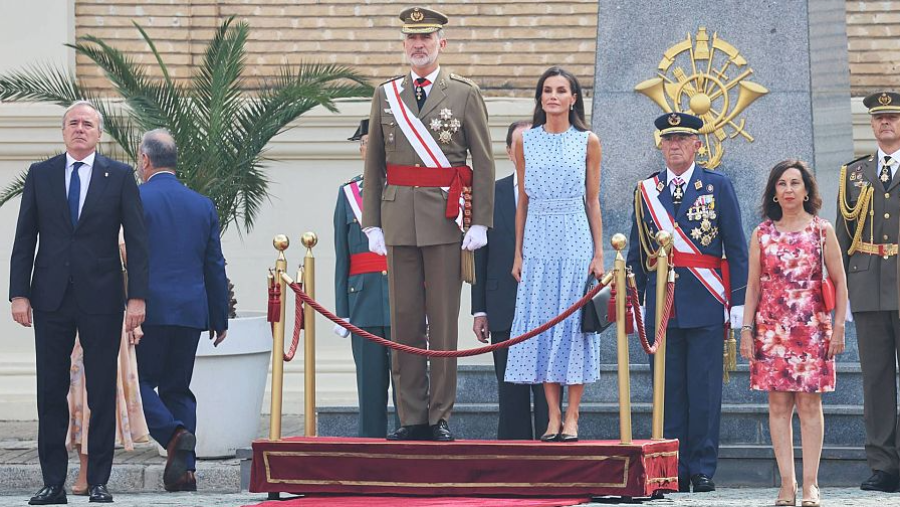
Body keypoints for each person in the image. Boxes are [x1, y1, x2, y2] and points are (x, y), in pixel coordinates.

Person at [361, 6, 495, 442]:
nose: (418, 45)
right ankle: (411, 415)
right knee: (403, 321)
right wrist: (372, 223)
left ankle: (439, 415)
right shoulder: (386, 94)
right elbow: (374, 163)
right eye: (412, 38)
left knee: (442, 321)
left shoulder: (464, 93)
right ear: (404, 44)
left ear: (442, 43)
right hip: (398, 217)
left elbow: (484, 161)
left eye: (426, 38)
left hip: (445, 217)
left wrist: (480, 221)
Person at [9, 100, 149, 505]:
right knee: (50, 391)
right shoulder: (41, 174)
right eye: (73, 122)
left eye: (87, 123)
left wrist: (137, 297)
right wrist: (19, 293)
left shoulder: (118, 175)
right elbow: (25, 237)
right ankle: (53, 482)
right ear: (63, 131)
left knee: (101, 391)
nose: (80, 128)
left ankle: (98, 482)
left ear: (99, 133)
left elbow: (137, 240)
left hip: (102, 297)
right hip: (50, 297)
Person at [627, 112, 748, 493]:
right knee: (667, 392)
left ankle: (701, 468)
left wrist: (738, 304)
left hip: (706, 302)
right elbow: (637, 253)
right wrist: (636, 301)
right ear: (660, 145)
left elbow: (736, 248)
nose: (674, 145)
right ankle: (671, 469)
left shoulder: (717, 186)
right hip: (662, 306)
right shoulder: (647, 191)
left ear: (698, 144)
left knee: (705, 391)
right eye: (668, 139)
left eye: (682, 139)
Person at [504, 67, 604, 444]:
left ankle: (573, 415)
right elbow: (522, 202)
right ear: (540, 97)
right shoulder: (525, 140)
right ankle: (552, 415)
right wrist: (518, 253)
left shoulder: (588, 141)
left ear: (573, 98)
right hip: (538, 238)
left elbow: (593, 200)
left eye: (561, 90)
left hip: (575, 236)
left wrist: (599, 253)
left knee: (574, 326)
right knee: (542, 323)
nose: (553, 96)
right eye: (547, 90)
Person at [741, 159, 848, 507]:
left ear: (806, 190)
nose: (788, 190)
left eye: (795, 183)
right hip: (772, 331)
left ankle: (811, 484)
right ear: (774, 192)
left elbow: (840, 282)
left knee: (809, 404)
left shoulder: (821, 230)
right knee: (778, 404)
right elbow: (753, 287)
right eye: (782, 184)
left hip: (812, 329)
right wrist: (746, 330)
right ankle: (786, 484)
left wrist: (839, 327)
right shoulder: (761, 233)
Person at [135, 129, 229, 492]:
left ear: (145, 160)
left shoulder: (135, 198)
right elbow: (214, 265)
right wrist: (219, 317)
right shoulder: (202, 204)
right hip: (190, 312)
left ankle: (174, 434)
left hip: (147, 310)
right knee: (177, 388)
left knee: (136, 383)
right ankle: (185, 472)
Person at [836, 91, 900, 493]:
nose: (885, 122)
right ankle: (884, 465)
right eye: (879, 118)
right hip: (868, 286)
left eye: (892, 116)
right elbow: (843, 237)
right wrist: (841, 292)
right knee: (875, 380)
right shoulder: (854, 174)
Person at [472, 120, 550, 440]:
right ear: (508, 152)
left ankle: (551, 457)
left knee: (547, 397)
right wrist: (479, 310)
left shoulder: (556, 192)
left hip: (548, 310)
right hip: (504, 306)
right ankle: (514, 458)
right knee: (511, 396)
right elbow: (480, 256)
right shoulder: (491, 194)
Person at [67, 232, 150, 496]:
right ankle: (84, 468)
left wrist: (133, 317)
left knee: (94, 395)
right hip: (69, 318)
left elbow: (131, 269)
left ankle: (92, 472)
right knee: (75, 396)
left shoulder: (118, 226)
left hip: (107, 317)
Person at [333, 119, 399, 437]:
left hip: (403, 301)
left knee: (409, 388)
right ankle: (371, 449)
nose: (369, 150)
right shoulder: (347, 194)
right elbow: (342, 257)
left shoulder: (404, 190)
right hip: (364, 303)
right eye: (364, 145)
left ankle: (411, 449)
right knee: (370, 387)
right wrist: (342, 311)